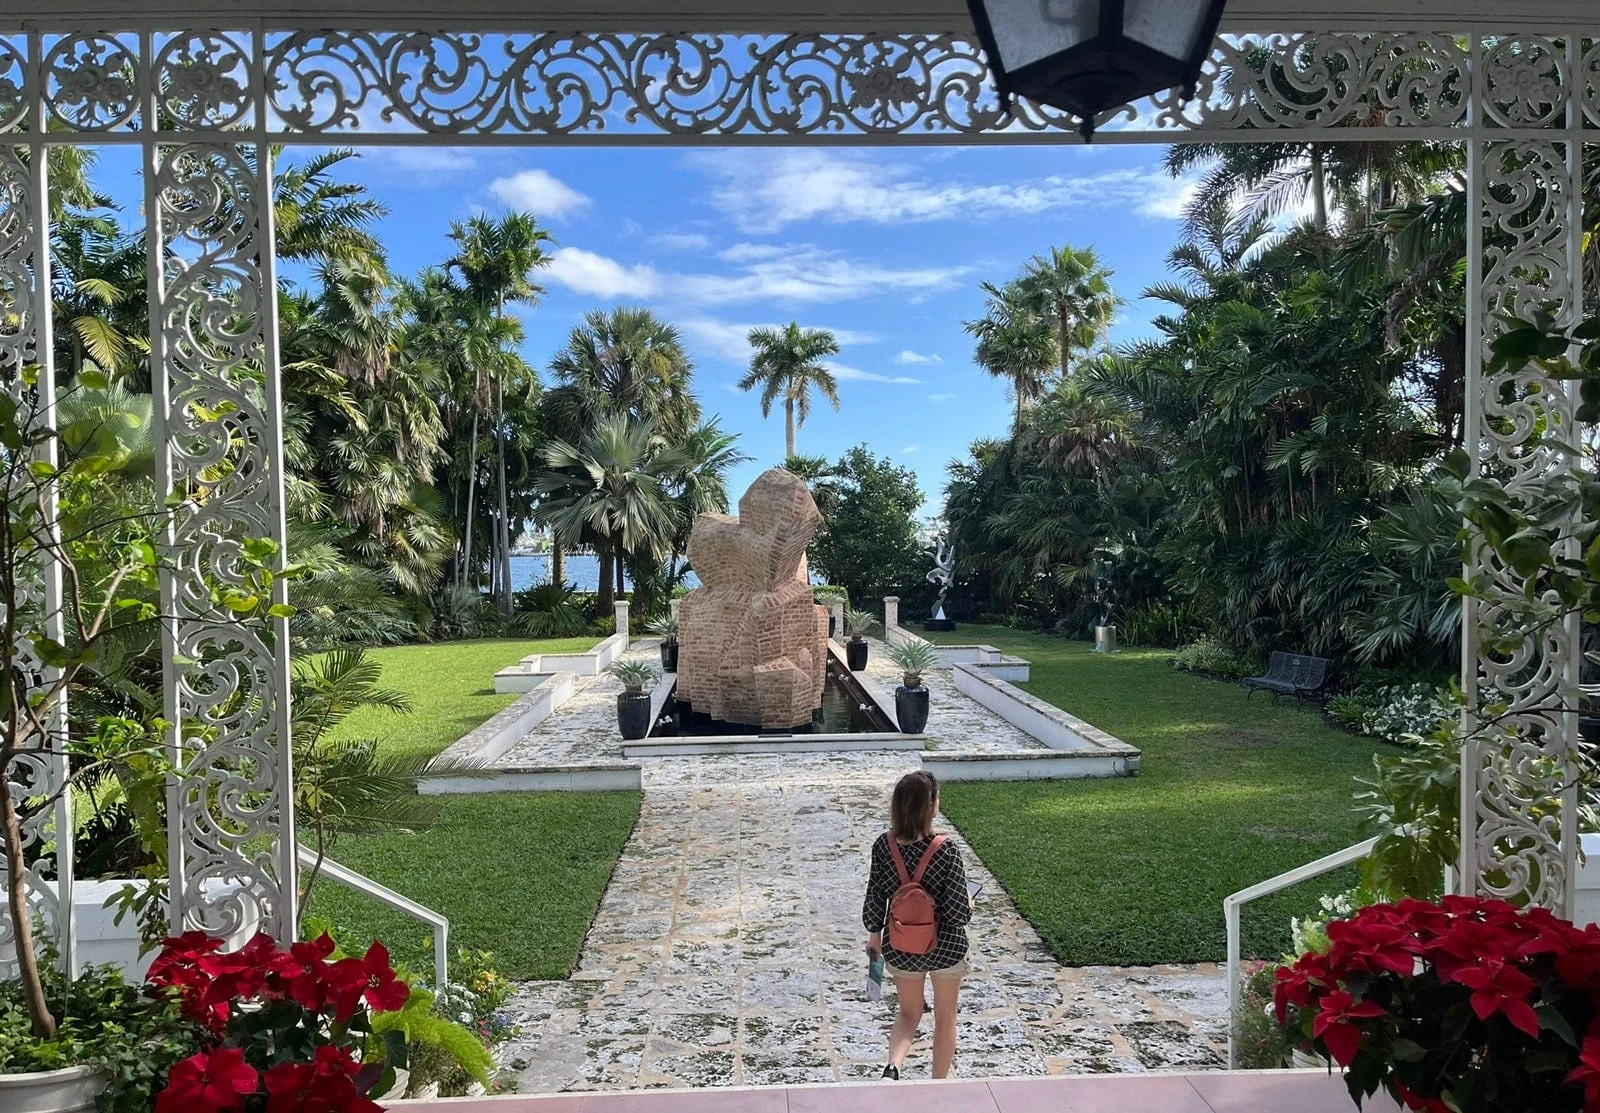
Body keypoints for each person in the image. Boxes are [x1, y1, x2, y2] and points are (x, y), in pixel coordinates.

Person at [862, 770, 972, 1080]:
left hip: (901, 946)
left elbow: (875, 896)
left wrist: (874, 935)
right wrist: (969, 903)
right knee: (945, 1018)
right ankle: (937, 1084)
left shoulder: (883, 846)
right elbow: (958, 914)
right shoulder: (945, 849)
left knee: (908, 1014)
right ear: (930, 805)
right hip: (946, 948)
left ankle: (893, 1067)